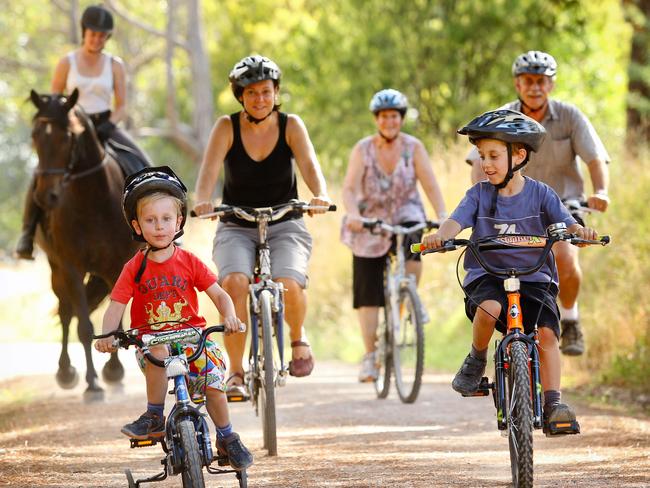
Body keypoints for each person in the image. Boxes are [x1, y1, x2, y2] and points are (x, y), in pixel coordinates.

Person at [423, 109, 600, 430]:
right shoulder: (478, 194)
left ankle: (554, 404)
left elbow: (569, 224)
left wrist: (580, 233)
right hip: (488, 275)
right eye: (481, 156)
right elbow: (454, 221)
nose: (485, 164)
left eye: (493, 155)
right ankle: (476, 359)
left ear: (519, 155)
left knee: (547, 332)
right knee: (489, 308)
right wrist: (440, 237)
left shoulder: (541, 194)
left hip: (535, 278)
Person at [94, 166, 253, 471]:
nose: (159, 226)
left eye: (166, 219)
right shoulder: (134, 267)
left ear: (178, 221)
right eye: (150, 220)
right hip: (151, 341)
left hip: (192, 338)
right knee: (157, 349)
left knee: (213, 383)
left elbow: (219, 295)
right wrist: (108, 336)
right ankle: (154, 415)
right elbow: (116, 305)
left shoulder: (189, 261)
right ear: (137, 226)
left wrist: (230, 315)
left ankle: (227, 436)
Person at [193, 55, 332, 399]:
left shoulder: (291, 125)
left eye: (266, 92)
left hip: (286, 222)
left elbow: (310, 166)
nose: (260, 99)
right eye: (252, 93)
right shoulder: (226, 127)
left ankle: (298, 337)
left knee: (289, 281)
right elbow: (208, 173)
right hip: (236, 224)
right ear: (241, 95)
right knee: (234, 282)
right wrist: (203, 200)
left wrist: (321, 195)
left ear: (275, 92)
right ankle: (236, 372)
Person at [466, 50, 610, 356]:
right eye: (528, 81)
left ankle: (569, 318)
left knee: (566, 260)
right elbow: (478, 164)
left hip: (563, 204)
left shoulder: (570, 116)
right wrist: (483, 202)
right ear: (517, 85)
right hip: (515, 205)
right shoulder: (501, 116)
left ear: (551, 84)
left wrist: (601, 190)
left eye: (541, 81)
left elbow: (595, 158)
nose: (535, 87)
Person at [15, 4, 150, 260]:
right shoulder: (67, 62)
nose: (96, 39)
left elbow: (121, 105)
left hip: (105, 126)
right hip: (73, 129)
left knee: (141, 163)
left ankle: (159, 228)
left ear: (107, 37)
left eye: (102, 35)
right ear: (84, 32)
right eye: (92, 34)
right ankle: (27, 233)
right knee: (42, 171)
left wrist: (109, 124)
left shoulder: (115, 64)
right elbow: (55, 103)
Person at [341, 88, 447, 382]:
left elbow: (430, 183)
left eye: (394, 116)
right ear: (377, 119)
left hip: (405, 212)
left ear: (401, 119)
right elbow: (349, 188)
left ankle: (409, 294)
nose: (389, 121)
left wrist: (442, 215)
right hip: (370, 218)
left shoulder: (414, 147)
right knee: (368, 289)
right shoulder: (363, 149)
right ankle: (370, 355)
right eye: (384, 116)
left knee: (415, 239)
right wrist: (353, 214)